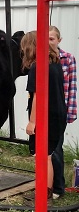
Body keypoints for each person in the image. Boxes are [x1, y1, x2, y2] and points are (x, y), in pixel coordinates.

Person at [21, 31, 67, 199]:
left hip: (46, 117)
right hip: (58, 115)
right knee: (46, 156)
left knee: (42, 157)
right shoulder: (55, 63)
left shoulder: (37, 66)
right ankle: (46, 191)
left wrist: (32, 122)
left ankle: (43, 193)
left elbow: (37, 97)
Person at [49, 25, 77, 199]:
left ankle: (58, 188)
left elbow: (72, 87)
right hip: (44, 111)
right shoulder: (39, 58)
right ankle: (47, 184)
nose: (48, 42)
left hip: (59, 112)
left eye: (51, 38)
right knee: (43, 151)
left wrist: (70, 112)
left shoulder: (67, 58)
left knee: (56, 149)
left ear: (59, 40)